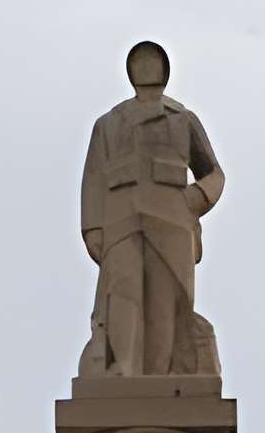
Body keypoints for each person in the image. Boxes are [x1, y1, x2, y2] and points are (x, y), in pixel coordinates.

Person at [78, 42, 225, 379]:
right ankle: (122, 369)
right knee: (123, 290)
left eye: (152, 61)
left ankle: (160, 375)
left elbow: (214, 173)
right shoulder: (109, 123)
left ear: (165, 69)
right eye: (139, 62)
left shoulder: (183, 119)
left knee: (165, 298)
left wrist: (196, 198)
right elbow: (94, 177)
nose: (146, 68)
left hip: (171, 215)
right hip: (121, 215)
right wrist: (92, 227)